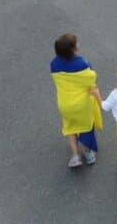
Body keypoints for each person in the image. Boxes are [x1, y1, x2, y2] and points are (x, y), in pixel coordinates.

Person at [49, 33, 102, 168]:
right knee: (86, 127)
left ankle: (75, 156)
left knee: (70, 127)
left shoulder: (54, 64)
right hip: (82, 104)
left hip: (65, 104)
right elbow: (91, 78)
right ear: (73, 49)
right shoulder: (83, 63)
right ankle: (88, 153)